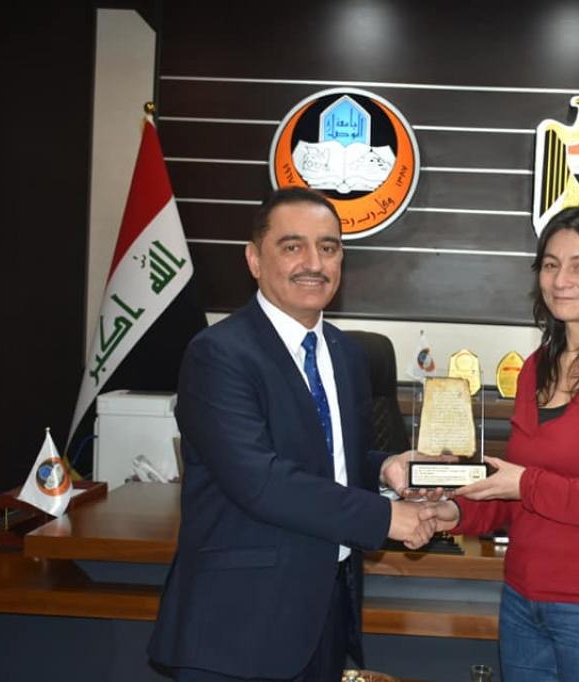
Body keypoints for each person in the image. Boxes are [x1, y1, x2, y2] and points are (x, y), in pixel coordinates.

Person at [148, 186, 434, 682]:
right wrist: (386, 516)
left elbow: (331, 459)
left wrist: (385, 466)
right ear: (254, 259)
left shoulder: (347, 355)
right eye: (292, 246)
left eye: (328, 247)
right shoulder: (218, 354)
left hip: (323, 618)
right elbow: (260, 480)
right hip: (238, 628)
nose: (314, 263)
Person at [420, 206, 579, 681]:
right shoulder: (534, 368)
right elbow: (514, 491)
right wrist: (454, 514)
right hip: (522, 601)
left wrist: (527, 484)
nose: (561, 280)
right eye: (550, 264)